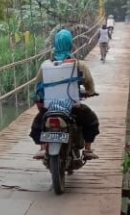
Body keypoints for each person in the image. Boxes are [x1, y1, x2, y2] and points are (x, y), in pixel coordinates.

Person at [30, 28, 99, 159]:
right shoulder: (78, 64)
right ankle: (88, 149)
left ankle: (43, 147)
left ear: (55, 44)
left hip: (50, 107)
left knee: (38, 123)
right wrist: (90, 91)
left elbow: (38, 82)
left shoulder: (46, 65)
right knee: (91, 121)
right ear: (70, 44)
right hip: (73, 107)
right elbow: (89, 82)